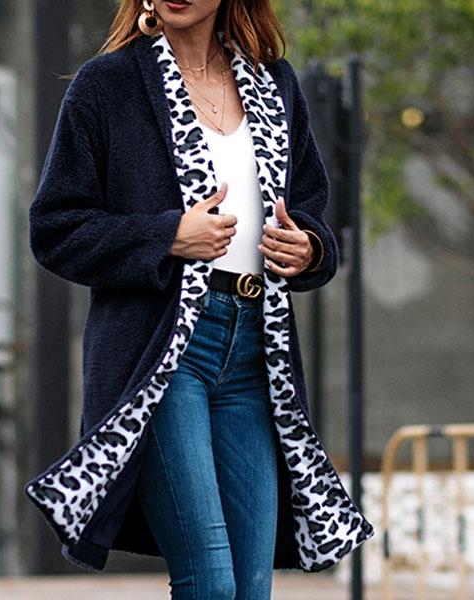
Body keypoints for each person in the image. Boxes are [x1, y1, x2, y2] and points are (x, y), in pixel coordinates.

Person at [26, 1, 373, 598]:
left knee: (250, 587)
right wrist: (167, 236)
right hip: (165, 354)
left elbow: (311, 208)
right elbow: (55, 229)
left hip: (257, 354)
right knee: (210, 581)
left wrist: (309, 248)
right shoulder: (106, 85)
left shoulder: (274, 81)